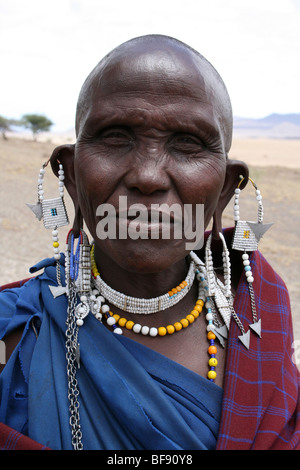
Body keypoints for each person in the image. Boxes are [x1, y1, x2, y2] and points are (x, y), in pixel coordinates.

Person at [0, 34, 299, 451]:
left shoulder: (258, 312)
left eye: (188, 143)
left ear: (227, 189)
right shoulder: (14, 330)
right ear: (70, 175)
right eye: (115, 136)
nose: (149, 176)